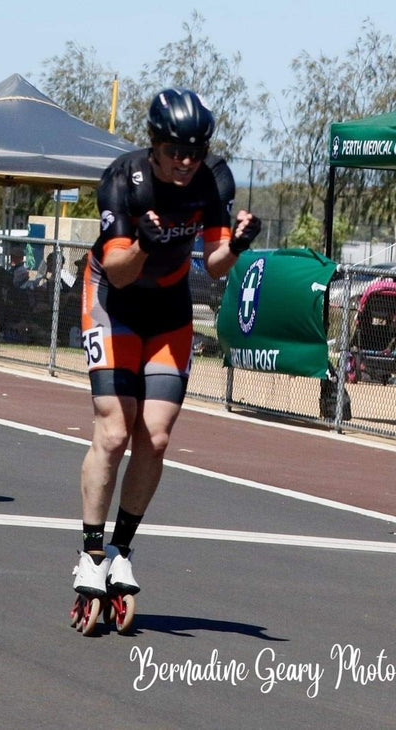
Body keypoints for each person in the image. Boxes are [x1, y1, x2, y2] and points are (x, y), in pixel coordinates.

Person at [70, 88, 262, 633]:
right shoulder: (121, 180)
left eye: (195, 151)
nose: (186, 162)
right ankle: (90, 554)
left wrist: (240, 244)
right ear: (155, 145)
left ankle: (122, 549)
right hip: (114, 300)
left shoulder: (212, 180)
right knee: (113, 431)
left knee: (154, 436)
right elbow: (122, 271)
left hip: (170, 308)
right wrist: (147, 244)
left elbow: (217, 265)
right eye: (176, 150)